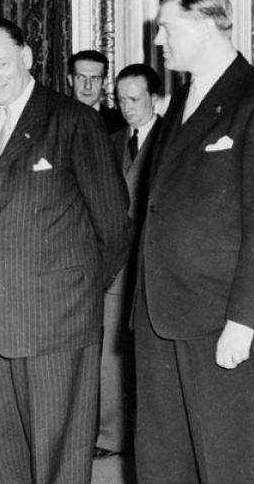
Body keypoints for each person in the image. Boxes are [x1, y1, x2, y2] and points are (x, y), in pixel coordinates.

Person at [134, 0, 254, 484]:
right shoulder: (183, 100)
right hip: (161, 318)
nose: (159, 39)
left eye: (168, 26)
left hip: (221, 323)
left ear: (207, 25)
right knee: (167, 467)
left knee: (233, 468)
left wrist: (243, 321)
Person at [0, 19, 131, 484]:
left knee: (59, 462)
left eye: (1, 63)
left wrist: (74, 293)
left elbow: (113, 225)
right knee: (5, 458)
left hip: (57, 321)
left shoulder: (73, 119)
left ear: (28, 57)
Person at [95, 63, 163, 459]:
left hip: (157, 265)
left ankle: (152, 440)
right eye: (120, 99)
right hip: (118, 266)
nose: (127, 107)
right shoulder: (112, 140)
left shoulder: (175, 137)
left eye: (135, 99)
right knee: (112, 356)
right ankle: (110, 437)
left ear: (154, 97)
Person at [68, 49, 127, 134]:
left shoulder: (120, 125)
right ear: (70, 80)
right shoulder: (54, 120)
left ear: (105, 82)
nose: (88, 86)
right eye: (81, 77)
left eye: (94, 78)